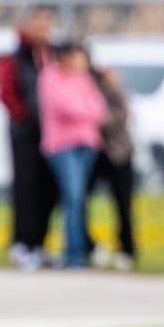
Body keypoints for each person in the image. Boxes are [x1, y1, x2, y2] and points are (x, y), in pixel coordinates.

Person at [0, 7, 58, 271]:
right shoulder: (16, 57)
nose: (43, 29)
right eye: (38, 23)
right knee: (26, 187)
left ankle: (40, 243)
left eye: (47, 23)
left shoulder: (51, 54)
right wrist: (23, 115)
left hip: (52, 131)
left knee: (48, 187)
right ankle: (22, 243)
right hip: (25, 131)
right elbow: (6, 91)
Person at [37, 40, 107, 269]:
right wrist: (85, 112)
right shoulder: (50, 77)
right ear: (64, 57)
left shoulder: (83, 79)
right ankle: (73, 254)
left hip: (86, 144)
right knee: (73, 197)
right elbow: (64, 107)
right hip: (62, 146)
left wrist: (85, 112)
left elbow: (99, 108)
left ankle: (80, 249)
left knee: (79, 199)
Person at [84, 65, 137, 271]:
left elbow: (123, 111)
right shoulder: (75, 84)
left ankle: (127, 249)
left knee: (123, 203)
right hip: (91, 152)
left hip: (118, 151)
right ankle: (89, 246)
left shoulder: (107, 82)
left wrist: (97, 121)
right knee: (79, 200)